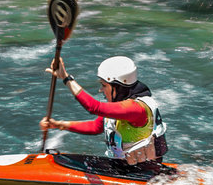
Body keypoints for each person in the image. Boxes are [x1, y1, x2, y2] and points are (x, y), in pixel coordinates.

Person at [40, 56, 168, 165]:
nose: (101, 90)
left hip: (144, 173)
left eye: (104, 85)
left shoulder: (135, 109)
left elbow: (93, 107)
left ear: (118, 87)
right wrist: (58, 124)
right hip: (123, 168)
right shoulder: (119, 107)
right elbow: (96, 127)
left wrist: (66, 78)